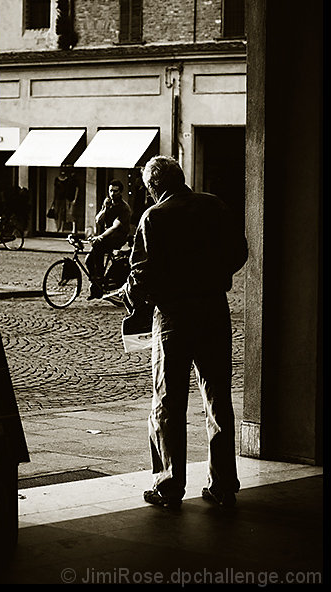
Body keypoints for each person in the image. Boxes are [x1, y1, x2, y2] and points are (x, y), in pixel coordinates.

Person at [123, 155, 248, 508]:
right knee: (218, 398)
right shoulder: (213, 206)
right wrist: (213, 274)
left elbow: (141, 274)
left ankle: (169, 485)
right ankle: (222, 485)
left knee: (168, 400)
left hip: (174, 315)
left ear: (153, 188)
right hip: (213, 309)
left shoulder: (155, 217)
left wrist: (135, 295)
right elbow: (239, 251)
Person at [85, 179, 131, 299]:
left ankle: (100, 279)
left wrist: (100, 237)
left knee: (98, 246)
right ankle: (96, 284)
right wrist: (104, 209)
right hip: (107, 236)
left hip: (117, 237)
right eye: (110, 191)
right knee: (89, 260)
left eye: (115, 191)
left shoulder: (124, 208)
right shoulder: (108, 203)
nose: (112, 194)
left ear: (120, 192)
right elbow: (98, 220)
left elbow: (115, 227)